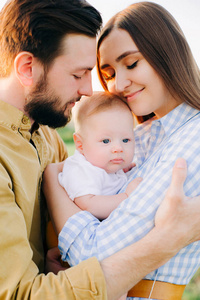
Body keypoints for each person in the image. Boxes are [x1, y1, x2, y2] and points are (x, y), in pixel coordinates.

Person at [43, 2, 200, 299]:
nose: (119, 84)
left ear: (167, 54)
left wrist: (53, 180)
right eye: (110, 72)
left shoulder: (193, 140)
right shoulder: (142, 135)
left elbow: (92, 254)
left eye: (131, 64)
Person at [58, 91, 138, 221]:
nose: (118, 148)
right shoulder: (81, 170)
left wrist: (120, 170)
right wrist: (127, 196)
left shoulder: (101, 164)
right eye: (106, 141)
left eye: (125, 140)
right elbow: (90, 205)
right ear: (80, 144)